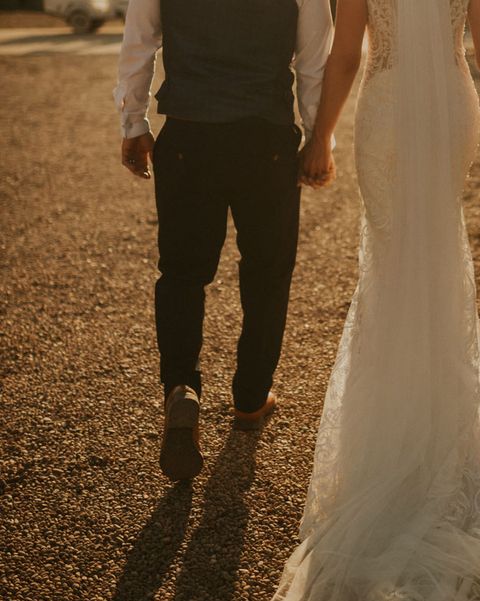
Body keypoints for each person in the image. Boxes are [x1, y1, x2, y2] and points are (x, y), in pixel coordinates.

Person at [251, 0, 480, 601]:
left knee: (393, 268)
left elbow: (346, 53)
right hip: (450, 115)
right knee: (432, 268)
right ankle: (438, 435)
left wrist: (322, 136)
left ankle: (392, 436)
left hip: (391, 113)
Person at [114, 0, 334, 481]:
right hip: (265, 139)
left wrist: (134, 122)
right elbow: (315, 59)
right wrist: (317, 138)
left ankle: (181, 388)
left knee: (181, 274)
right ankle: (251, 398)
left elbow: (139, 40)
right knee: (267, 272)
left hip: (189, 137)